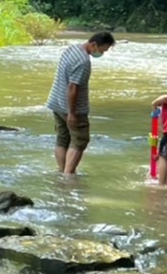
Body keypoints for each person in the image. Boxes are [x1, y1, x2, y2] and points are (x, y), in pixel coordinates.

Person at [45, 31, 116, 174]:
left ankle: (62, 171)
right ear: (94, 44)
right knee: (80, 140)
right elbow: (73, 87)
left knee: (62, 138)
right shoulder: (83, 61)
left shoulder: (72, 49)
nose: (102, 53)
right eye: (102, 50)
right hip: (71, 108)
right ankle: (68, 175)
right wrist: (72, 113)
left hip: (56, 102)